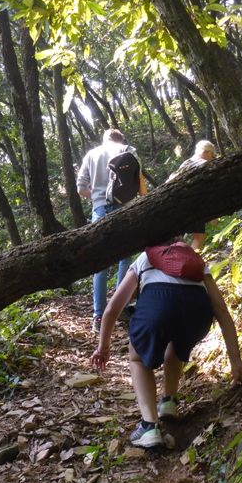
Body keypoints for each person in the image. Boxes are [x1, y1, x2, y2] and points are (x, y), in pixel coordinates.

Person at [89, 240, 242, 448]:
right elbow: (220, 308)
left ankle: (149, 426)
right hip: (197, 314)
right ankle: (168, 402)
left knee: (137, 358)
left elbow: (112, 308)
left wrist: (103, 347)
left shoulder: (145, 258)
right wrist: (236, 362)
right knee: (177, 342)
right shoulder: (196, 261)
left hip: (159, 304)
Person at [77, 129, 147, 332]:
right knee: (125, 259)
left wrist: (99, 198)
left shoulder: (91, 154)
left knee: (101, 265)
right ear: (121, 139)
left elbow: (81, 189)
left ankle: (98, 317)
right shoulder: (128, 150)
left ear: (104, 139)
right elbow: (141, 186)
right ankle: (120, 307)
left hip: (100, 210)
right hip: (126, 208)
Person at [167, 140, 217, 250]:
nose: (212, 158)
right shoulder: (204, 165)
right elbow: (206, 191)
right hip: (190, 203)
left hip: (172, 202)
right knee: (199, 236)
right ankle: (190, 263)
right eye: (212, 155)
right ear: (207, 152)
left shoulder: (187, 162)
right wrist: (213, 214)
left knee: (177, 237)